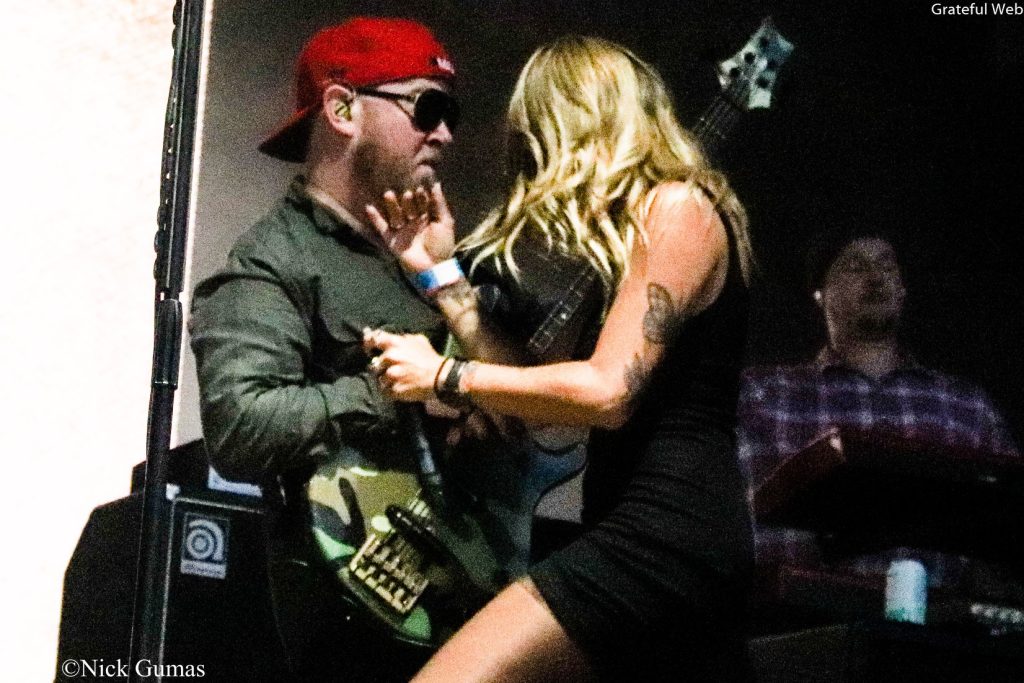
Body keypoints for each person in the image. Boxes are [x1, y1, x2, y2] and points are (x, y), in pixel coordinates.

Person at [363, 35, 755, 682]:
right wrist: (443, 279)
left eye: (539, 139)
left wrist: (445, 375)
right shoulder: (636, 237)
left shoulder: (680, 209)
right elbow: (538, 405)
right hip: (646, 532)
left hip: (666, 536)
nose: (533, 164)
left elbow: (606, 392)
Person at [188, 17, 459, 680]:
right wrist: (393, 390)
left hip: (459, 576)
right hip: (350, 609)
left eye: (449, 115)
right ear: (342, 111)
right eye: (427, 108)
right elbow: (240, 425)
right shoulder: (272, 262)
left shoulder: (431, 250)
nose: (445, 134)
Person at [738, 233, 1019, 596]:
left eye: (887, 265)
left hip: (937, 622)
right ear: (820, 294)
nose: (875, 277)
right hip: (796, 617)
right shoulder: (762, 396)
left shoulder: (966, 407)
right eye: (854, 266)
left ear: (902, 289)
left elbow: (1006, 533)